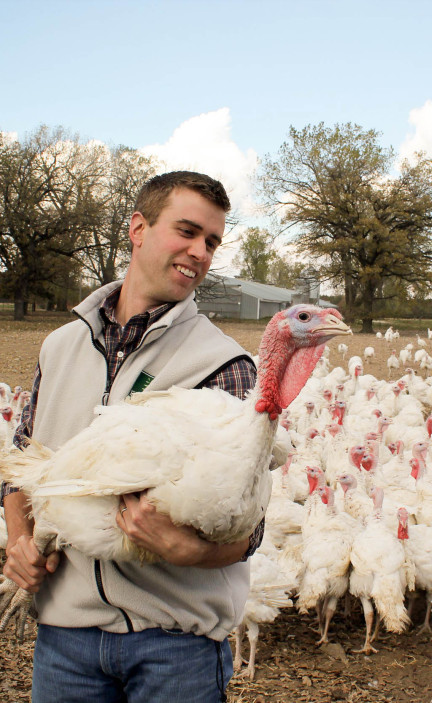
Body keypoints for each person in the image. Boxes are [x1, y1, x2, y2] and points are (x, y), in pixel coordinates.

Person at [1, 171, 263, 702]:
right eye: (186, 231)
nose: (200, 252)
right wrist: (20, 540)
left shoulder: (223, 364)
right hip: (65, 638)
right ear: (138, 229)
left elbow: (246, 528)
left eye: (211, 241)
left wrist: (187, 551)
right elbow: (23, 460)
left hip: (174, 646)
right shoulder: (60, 347)